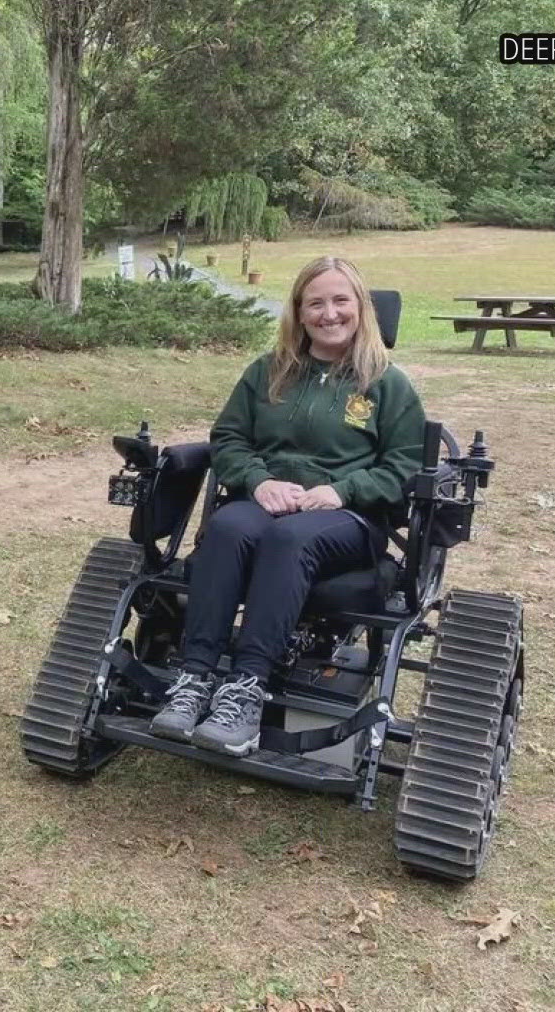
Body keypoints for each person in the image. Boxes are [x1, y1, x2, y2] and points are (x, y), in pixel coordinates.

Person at [149, 257, 425, 757]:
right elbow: (229, 438)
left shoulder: (387, 383)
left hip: (348, 517)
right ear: (298, 313)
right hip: (268, 502)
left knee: (289, 537)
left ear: (361, 308)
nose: (329, 313)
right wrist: (257, 481)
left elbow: (404, 466)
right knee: (229, 526)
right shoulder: (269, 371)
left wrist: (343, 490)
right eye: (315, 302)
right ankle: (193, 678)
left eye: (341, 300)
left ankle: (247, 688)